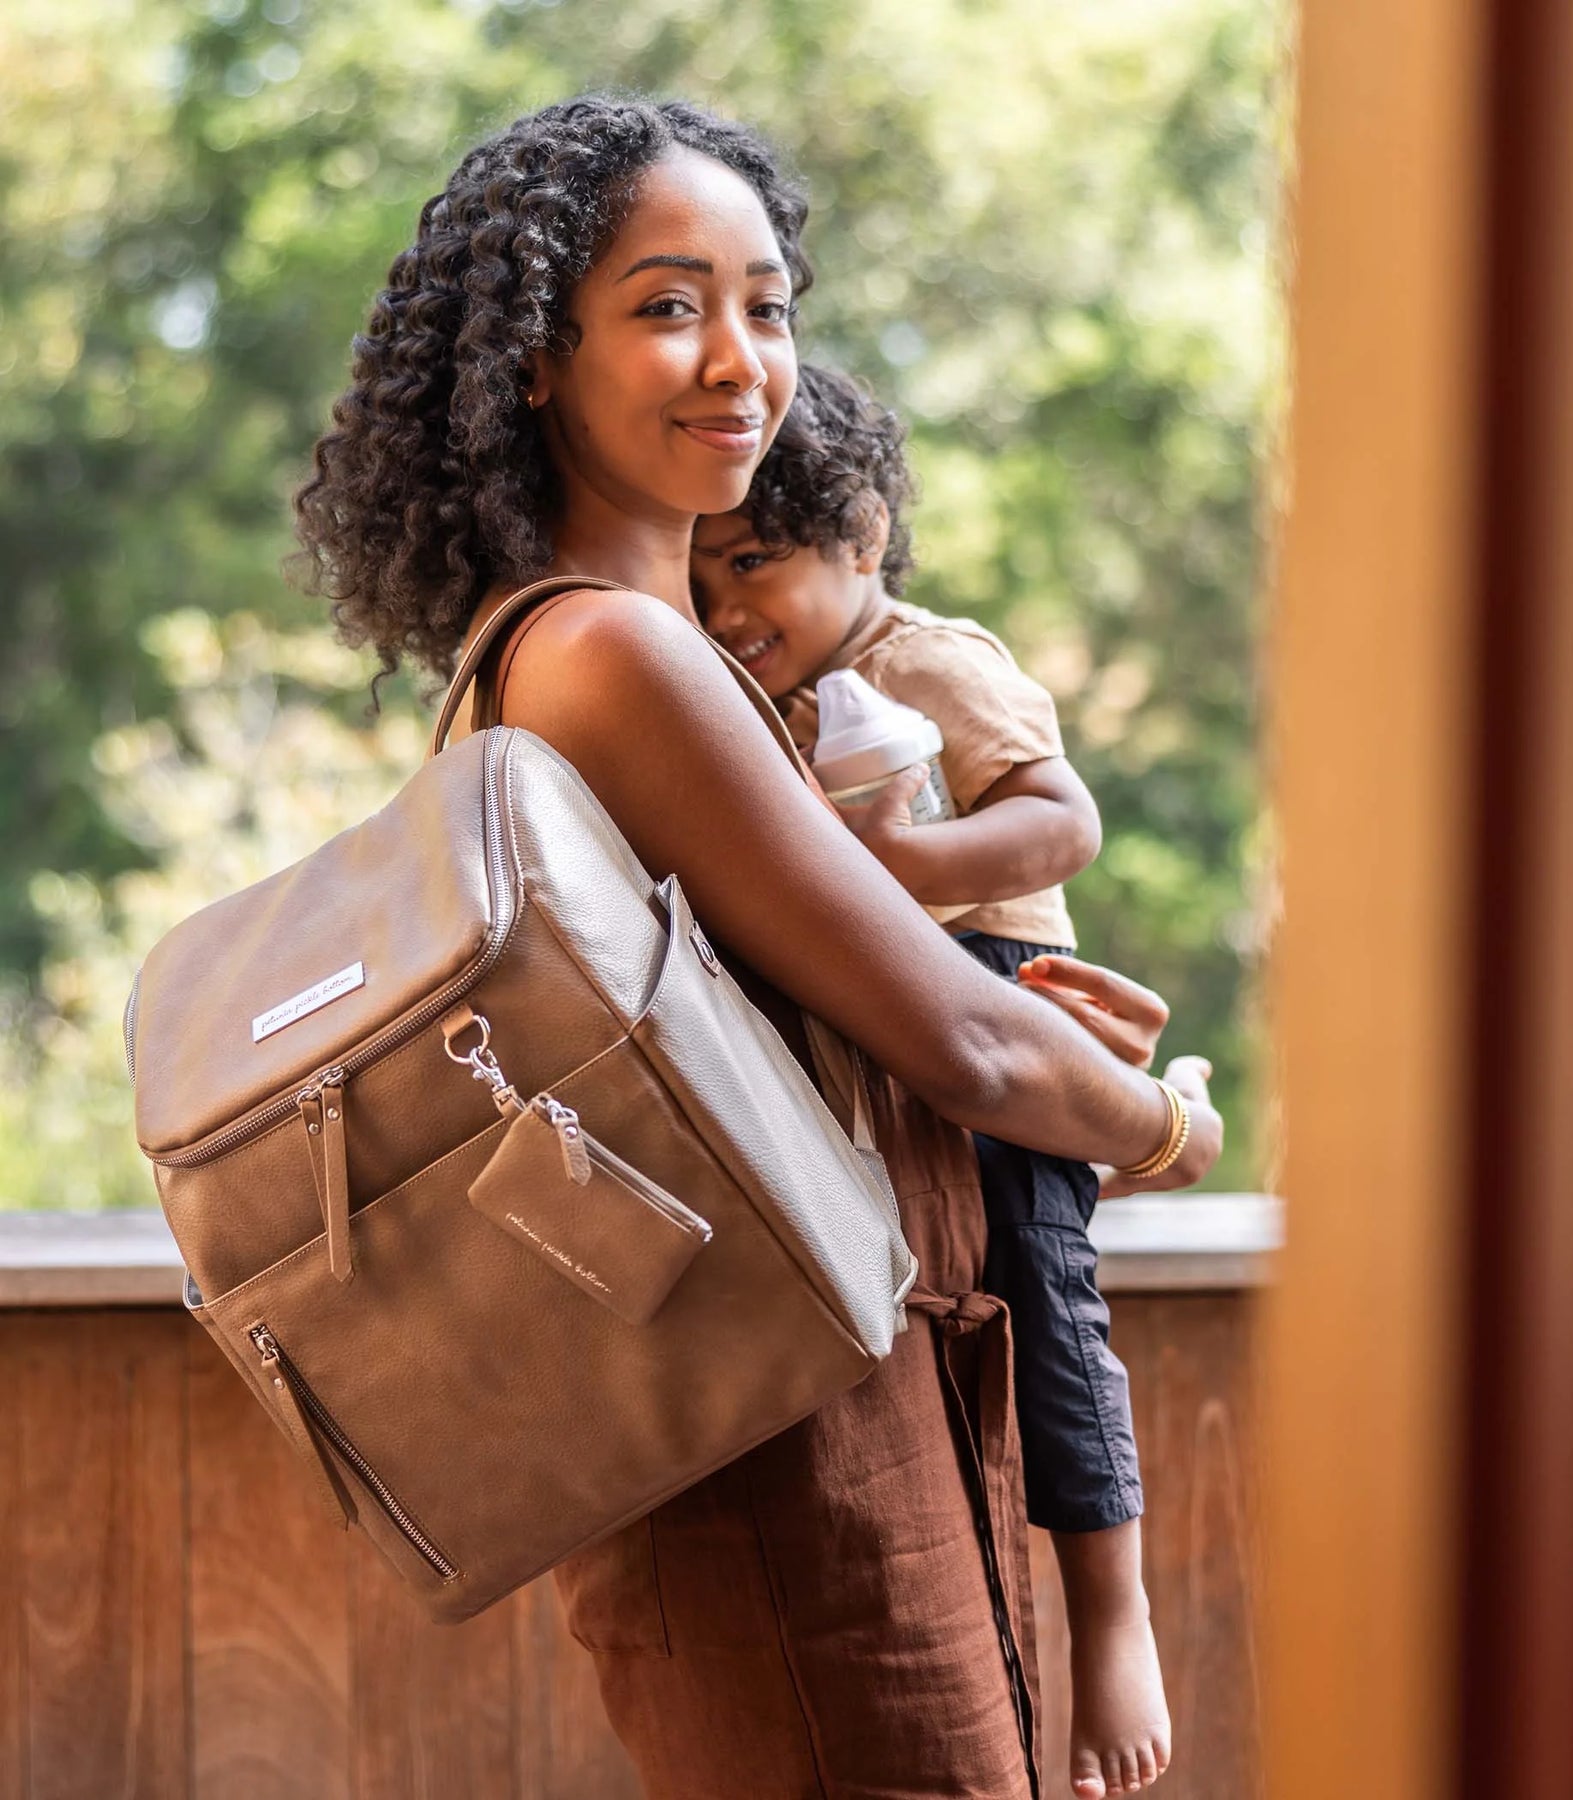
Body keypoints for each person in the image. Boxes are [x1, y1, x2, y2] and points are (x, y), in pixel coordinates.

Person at [295, 95, 1222, 1800]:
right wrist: (1163, 1123)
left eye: (768, 304)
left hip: (840, 1432)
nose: (738, 359)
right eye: (666, 305)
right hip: (801, 1483)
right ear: (530, 365)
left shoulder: (605, 659)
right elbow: (981, 1047)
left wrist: (976, 1046)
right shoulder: (616, 660)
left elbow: (853, 1044)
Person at [691, 362, 1181, 1800]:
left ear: (861, 532)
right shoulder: (746, 693)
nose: (728, 610)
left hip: (1004, 1005)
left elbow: (1059, 822)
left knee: (1055, 1310)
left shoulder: (928, 659)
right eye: (704, 578)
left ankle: (1113, 1619)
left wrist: (894, 869)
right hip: (880, 1045)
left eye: (755, 565)